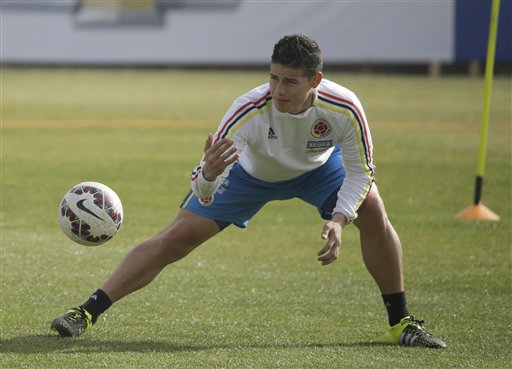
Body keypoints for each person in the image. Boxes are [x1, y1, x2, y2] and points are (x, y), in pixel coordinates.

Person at [51, 34, 446, 348]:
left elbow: (362, 173)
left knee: (374, 212)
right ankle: (86, 311)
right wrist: (207, 173)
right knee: (175, 239)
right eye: (274, 77)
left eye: (290, 81)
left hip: (319, 171)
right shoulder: (249, 109)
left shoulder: (344, 108)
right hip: (248, 176)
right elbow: (205, 188)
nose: (278, 88)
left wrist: (340, 220)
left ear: (315, 81)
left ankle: (401, 323)